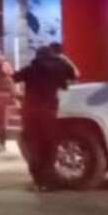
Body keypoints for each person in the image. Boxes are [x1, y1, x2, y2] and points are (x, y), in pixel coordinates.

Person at [13, 46, 76, 190]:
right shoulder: (60, 66)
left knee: (33, 145)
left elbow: (14, 77)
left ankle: (39, 179)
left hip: (30, 111)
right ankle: (49, 179)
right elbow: (74, 75)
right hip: (49, 111)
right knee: (49, 145)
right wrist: (64, 59)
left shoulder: (31, 68)